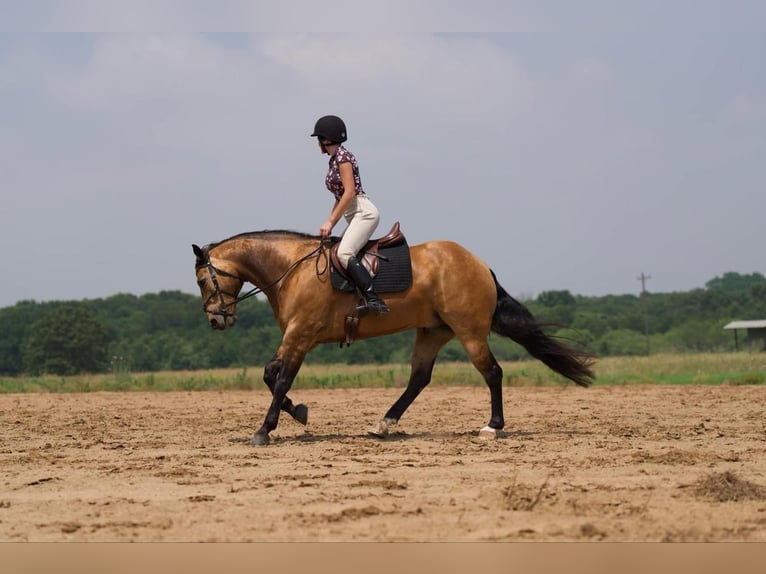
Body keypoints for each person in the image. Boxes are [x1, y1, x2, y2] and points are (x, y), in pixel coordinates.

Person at [311, 114, 389, 315]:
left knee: (344, 253)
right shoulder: (335, 159)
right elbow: (339, 197)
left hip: (364, 213)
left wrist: (330, 222)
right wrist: (330, 224)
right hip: (353, 214)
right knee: (336, 251)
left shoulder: (343, 158)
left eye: (318, 139)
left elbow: (349, 192)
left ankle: (374, 299)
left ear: (326, 139)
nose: (317, 144)